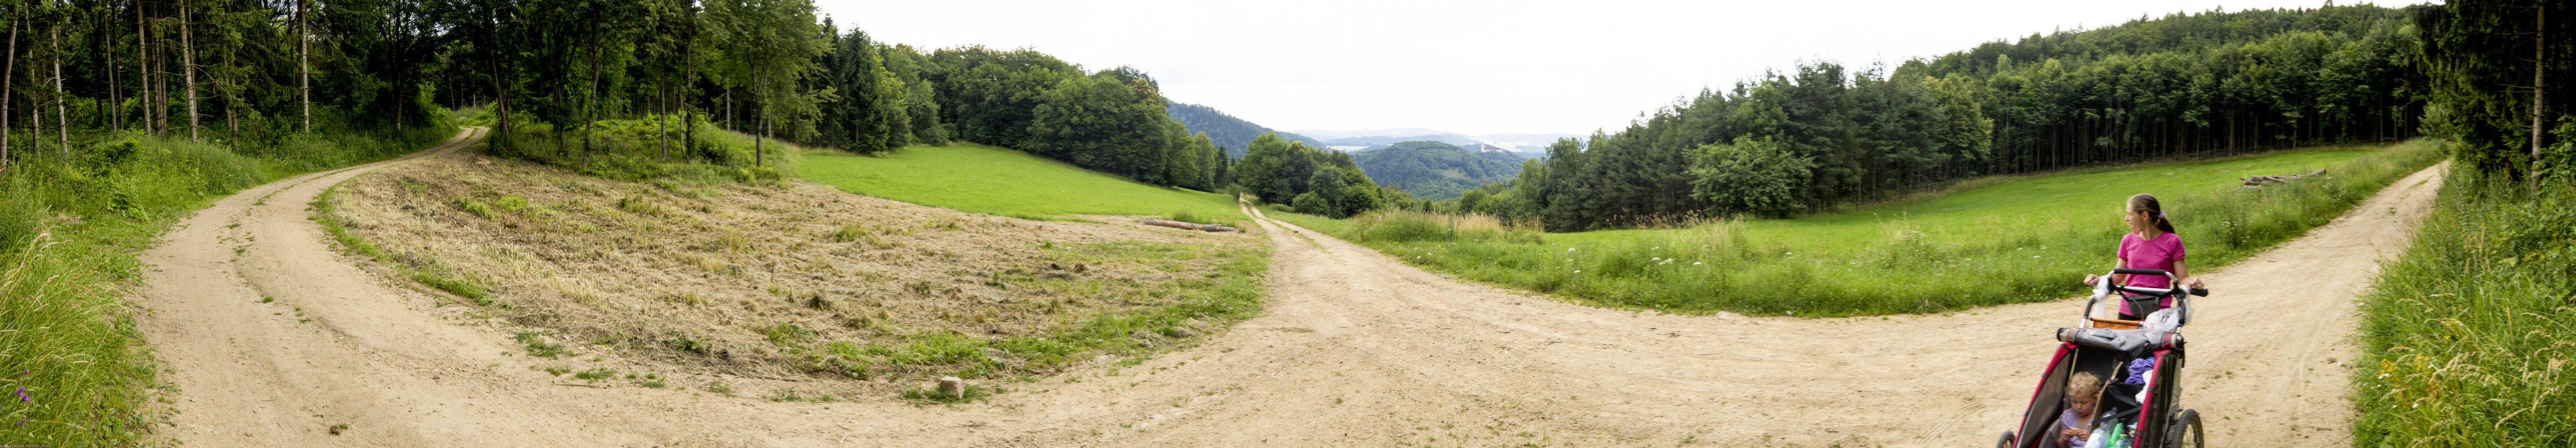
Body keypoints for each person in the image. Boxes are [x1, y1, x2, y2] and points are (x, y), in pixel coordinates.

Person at [2082, 193, 2206, 319]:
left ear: (2145, 216)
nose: (2126, 219)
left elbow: (2183, 278)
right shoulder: (2127, 240)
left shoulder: (2173, 242)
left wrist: (2192, 283)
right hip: (2129, 309)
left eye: (2130, 214)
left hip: (2159, 313)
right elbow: (2118, 276)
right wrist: (2098, 279)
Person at [2058, 372, 2103, 447]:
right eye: (2074, 402)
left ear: (2095, 399)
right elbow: (2061, 446)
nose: (2079, 407)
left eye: (2084, 403)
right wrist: (2064, 439)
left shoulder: (2098, 416)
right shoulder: (2068, 416)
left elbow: (2104, 443)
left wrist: (2090, 439)